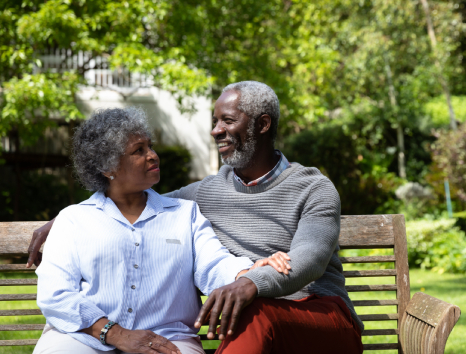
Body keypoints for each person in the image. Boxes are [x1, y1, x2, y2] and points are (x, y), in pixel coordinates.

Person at [29, 81, 364, 354]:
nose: (216, 131)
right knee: (255, 313)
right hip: (252, 312)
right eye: (214, 122)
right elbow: (139, 208)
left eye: (228, 121)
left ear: (262, 125)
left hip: (317, 312)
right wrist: (64, 221)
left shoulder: (314, 188)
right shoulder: (204, 194)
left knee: (256, 312)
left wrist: (250, 281)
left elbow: (309, 260)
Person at [32, 107, 289, 354]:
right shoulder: (74, 220)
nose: (152, 155)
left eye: (150, 146)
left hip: (167, 336)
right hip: (83, 336)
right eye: (138, 151)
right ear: (108, 167)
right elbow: (56, 294)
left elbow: (214, 264)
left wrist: (249, 273)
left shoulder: (184, 214)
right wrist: (117, 334)